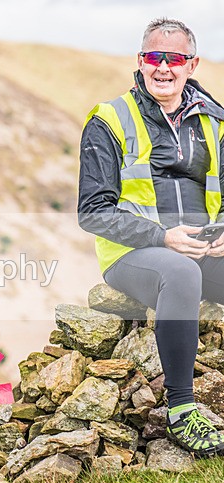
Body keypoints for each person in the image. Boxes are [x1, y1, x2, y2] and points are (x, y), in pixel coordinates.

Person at [79, 18, 224, 457]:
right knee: (180, 273)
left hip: (206, 246)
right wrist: (163, 238)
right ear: (140, 62)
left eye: (174, 58)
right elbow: (92, 212)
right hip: (136, 255)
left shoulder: (215, 120)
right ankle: (182, 410)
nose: (163, 67)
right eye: (152, 58)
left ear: (191, 64)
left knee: (190, 265)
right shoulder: (108, 120)